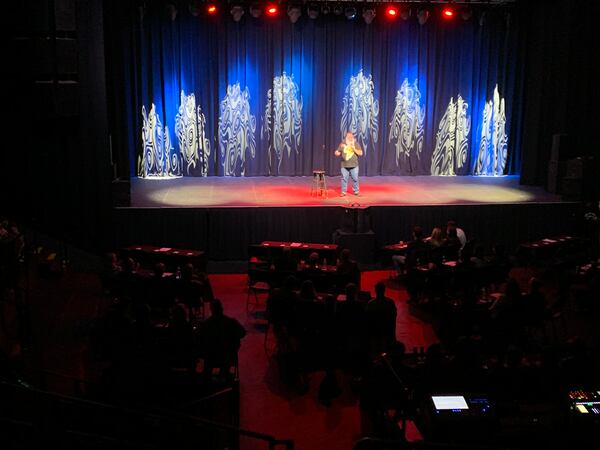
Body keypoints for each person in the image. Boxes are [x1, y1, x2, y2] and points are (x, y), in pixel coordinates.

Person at [334, 131, 363, 196]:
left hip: (354, 165)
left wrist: (354, 149)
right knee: (344, 178)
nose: (350, 138)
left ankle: (356, 191)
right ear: (346, 137)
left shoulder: (356, 144)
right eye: (348, 137)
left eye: (351, 136)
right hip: (344, 165)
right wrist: (336, 153)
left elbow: (361, 153)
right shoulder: (342, 144)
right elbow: (338, 152)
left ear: (353, 137)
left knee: (355, 178)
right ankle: (343, 192)